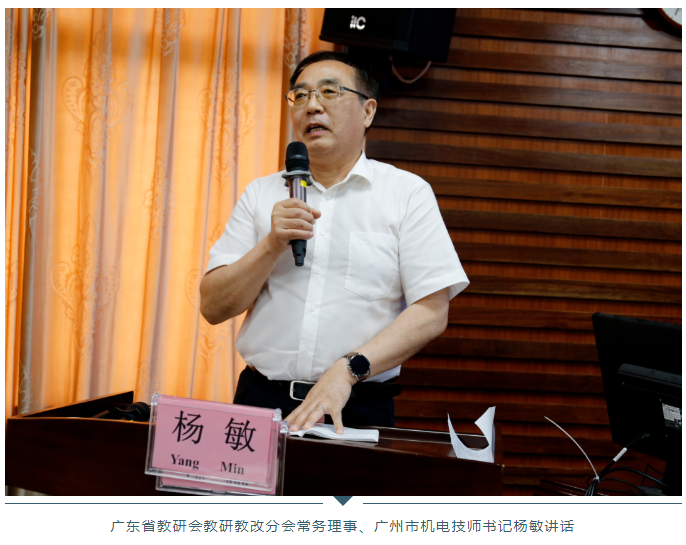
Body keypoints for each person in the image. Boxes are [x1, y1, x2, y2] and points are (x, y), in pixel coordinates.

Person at [200, 51, 469, 435]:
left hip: (358, 404)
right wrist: (272, 244)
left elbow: (431, 311)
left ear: (368, 111)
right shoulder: (261, 194)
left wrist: (348, 370)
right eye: (300, 95)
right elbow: (213, 306)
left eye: (329, 92)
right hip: (261, 401)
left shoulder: (406, 194)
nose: (312, 106)